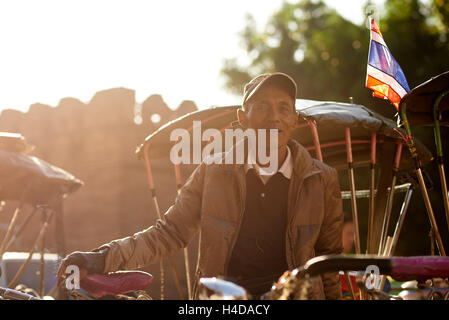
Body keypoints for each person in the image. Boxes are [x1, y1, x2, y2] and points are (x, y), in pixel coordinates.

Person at [58, 72, 344, 299]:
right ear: (243, 119)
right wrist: (103, 258)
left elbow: (330, 260)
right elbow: (169, 233)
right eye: (262, 107)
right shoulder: (214, 171)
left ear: (294, 119)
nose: (274, 116)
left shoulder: (321, 179)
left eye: (284, 108)